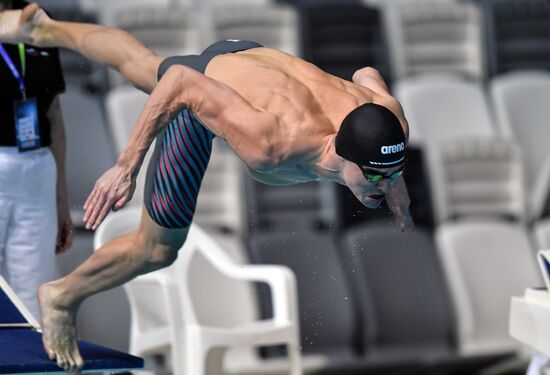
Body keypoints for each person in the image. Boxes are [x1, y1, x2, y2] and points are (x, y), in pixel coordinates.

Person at [0, 3, 413, 373]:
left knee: (140, 61)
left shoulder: (389, 116)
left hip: (251, 58)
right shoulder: (271, 142)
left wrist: (394, 182)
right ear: (343, 153)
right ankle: (62, 296)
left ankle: (43, 27)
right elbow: (180, 82)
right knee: (158, 248)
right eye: (375, 175)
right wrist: (126, 166)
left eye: (392, 171)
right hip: (203, 90)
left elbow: (366, 74)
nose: (384, 184)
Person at [0, 0, 71, 322]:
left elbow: (53, 116)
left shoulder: (41, 19)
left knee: (34, 296)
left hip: (37, 168)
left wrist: (60, 200)